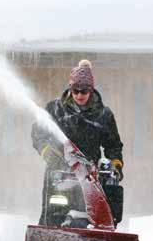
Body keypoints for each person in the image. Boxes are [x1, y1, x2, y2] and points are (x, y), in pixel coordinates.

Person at [31, 59, 124, 227]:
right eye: (76, 90)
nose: (79, 95)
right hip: (58, 175)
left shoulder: (103, 115)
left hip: (90, 180)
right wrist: (46, 151)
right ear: (70, 88)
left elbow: (113, 146)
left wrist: (115, 165)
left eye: (84, 91)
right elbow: (38, 133)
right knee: (52, 218)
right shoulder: (55, 109)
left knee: (93, 220)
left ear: (91, 89)